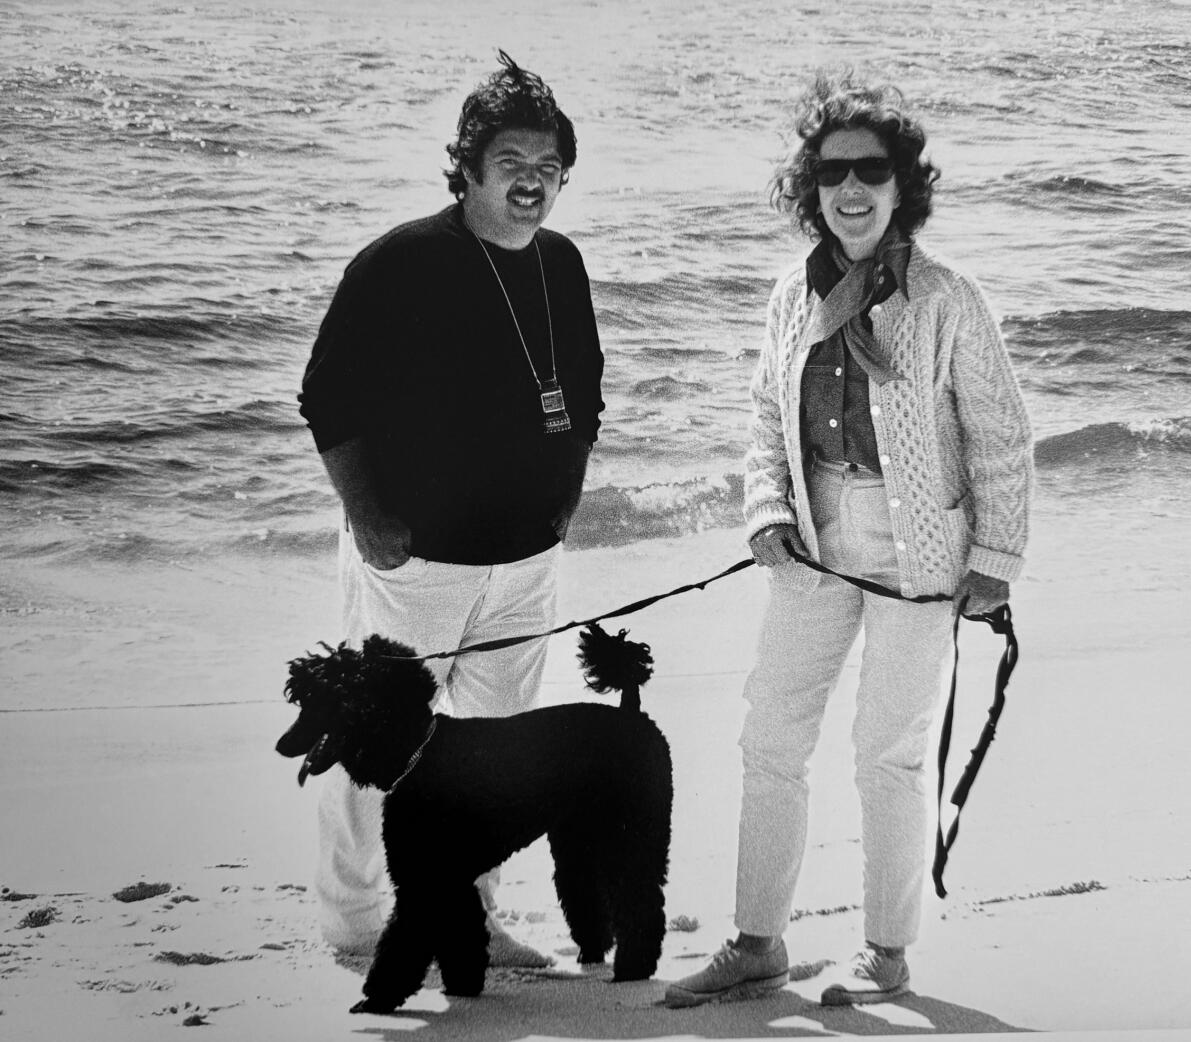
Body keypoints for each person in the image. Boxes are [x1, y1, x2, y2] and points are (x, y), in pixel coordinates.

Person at [665, 72, 1033, 1007]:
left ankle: (888, 954)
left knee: (889, 754)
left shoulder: (949, 299)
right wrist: (766, 513)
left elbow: (999, 438)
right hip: (812, 543)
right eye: (832, 174)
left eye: (872, 170)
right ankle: (757, 943)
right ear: (810, 187)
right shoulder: (794, 293)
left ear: (904, 185)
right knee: (771, 738)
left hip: (922, 553)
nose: (851, 189)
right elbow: (761, 416)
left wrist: (993, 563)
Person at [297, 51, 604, 966]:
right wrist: (367, 517)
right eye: (512, 162)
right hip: (415, 566)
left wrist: (566, 500)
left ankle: (468, 918)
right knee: (368, 750)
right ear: (468, 166)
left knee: (493, 756)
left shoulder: (562, 264)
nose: (533, 182)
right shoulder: (400, 263)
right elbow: (326, 398)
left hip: (525, 567)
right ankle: (353, 923)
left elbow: (585, 396)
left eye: (550, 168)